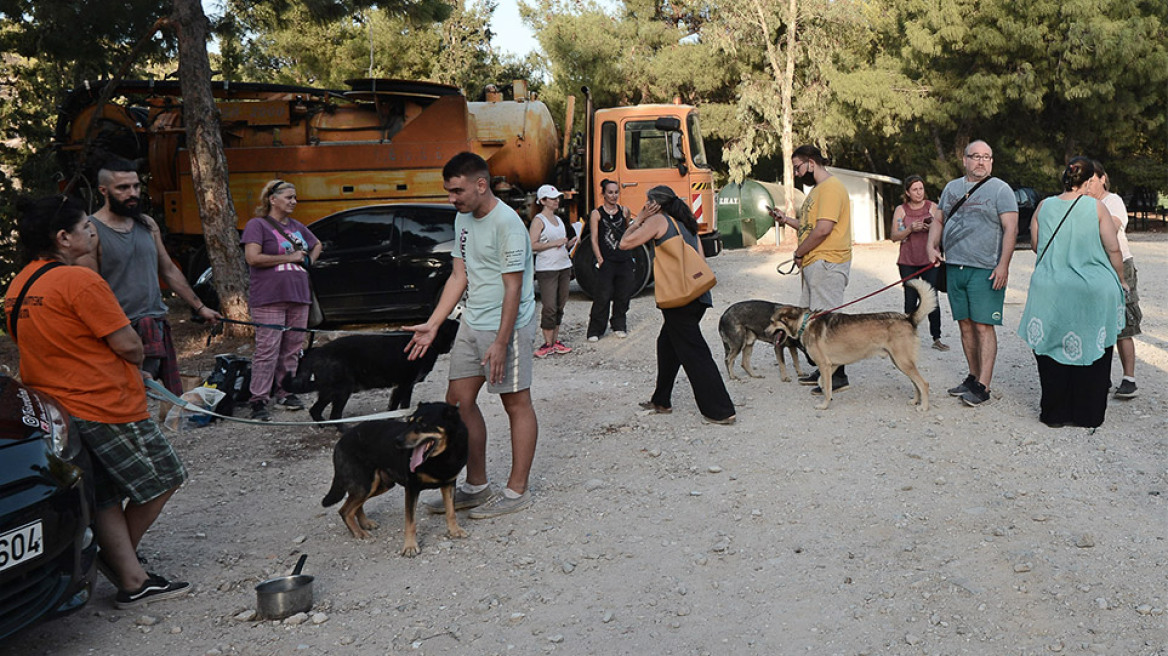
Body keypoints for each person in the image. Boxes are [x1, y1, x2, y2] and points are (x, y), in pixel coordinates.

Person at [5, 195, 189, 609]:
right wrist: (138, 366)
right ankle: (110, 559)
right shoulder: (80, 281)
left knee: (104, 494)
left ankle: (132, 579)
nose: (93, 231)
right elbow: (128, 343)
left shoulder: (20, 284)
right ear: (63, 238)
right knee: (165, 478)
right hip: (104, 403)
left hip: (58, 407)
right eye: (85, 227)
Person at [406, 152, 540, 519]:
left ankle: (517, 490)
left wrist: (501, 341)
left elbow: (513, 289)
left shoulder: (507, 224)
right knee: (458, 401)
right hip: (473, 321)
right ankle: (476, 485)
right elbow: (458, 275)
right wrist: (434, 323)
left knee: (515, 403)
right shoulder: (462, 218)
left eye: (457, 190)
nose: (452, 198)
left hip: (507, 325)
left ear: (481, 184)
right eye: (449, 191)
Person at [85, 158, 221, 396]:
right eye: (123, 188)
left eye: (136, 186)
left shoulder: (147, 224)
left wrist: (200, 308)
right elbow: (87, 289)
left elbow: (167, 269)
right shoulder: (90, 230)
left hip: (153, 325)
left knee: (153, 393)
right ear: (103, 191)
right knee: (125, 396)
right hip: (118, 331)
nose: (132, 193)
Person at [1016, 157, 1126, 428]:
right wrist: (1121, 280)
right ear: (1089, 181)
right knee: (1094, 347)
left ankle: (1055, 414)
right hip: (1092, 287)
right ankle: (1087, 414)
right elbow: (1113, 248)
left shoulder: (1044, 206)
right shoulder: (1097, 208)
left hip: (1050, 287)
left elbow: (1035, 245)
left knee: (1051, 348)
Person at [619, 185, 736, 425]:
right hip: (698, 295)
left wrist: (639, 218)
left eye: (647, 203)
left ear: (655, 205)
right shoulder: (686, 222)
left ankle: (721, 411)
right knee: (667, 344)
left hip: (679, 299)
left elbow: (625, 243)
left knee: (695, 353)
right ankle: (661, 400)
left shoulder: (658, 221)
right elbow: (700, 260)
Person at [926, 140, 1018, 407]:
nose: (981, 161)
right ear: (964, 159)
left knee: (983, 325)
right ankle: (972, 376)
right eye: (975, 156)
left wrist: (1003, 265)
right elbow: (939, 219)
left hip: (985, 269)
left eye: (986, 157)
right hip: (955, 266)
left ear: (992, 162)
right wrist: (932, 245)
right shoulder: (952, 188)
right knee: (965, 325)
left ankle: (984, 385)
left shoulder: (1001, 190)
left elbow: (1010, 230)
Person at [768, 145, 853, 395]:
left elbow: (824, 229)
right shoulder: (817, 191)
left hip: (828, 262)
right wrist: (786, 220)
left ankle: (838, 376)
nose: (796, 173)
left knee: (829, 321)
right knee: (813, 321)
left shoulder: (831, 188)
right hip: (815, 262)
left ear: (811, 163)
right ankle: (824, 368)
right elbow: (809, 227)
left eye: (797, 167)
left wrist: (798, 252)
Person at [241, 179, 322, 421]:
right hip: (269, 296)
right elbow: (252, 258)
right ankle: (259, 399)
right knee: (268, 349)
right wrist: (291, 257)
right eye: (288, 197)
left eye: (295, 197)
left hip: (298, 295)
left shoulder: (297, 226)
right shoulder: (257, 225)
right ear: (272, 199)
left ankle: (286, 391)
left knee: (292, 348)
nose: (294, 202)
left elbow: (317, 244)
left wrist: (307, 261)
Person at [1088, 162, 1142, 399]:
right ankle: (1101, 376)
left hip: (1120, 265)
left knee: (1124, 323)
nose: (1088, 184)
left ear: (1103, 178)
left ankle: (1129, 378)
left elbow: (1112, 227)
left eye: (1092, 179)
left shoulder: (1113, 201)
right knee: (1097, 322)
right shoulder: (1083, 203)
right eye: (1084, 180)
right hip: (1093, 265)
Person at [890, 175, 948, 351]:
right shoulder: (901, 210)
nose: (918, 192)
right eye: (914, 189)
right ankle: (909, 337)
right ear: (907, 192)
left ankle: (936, 337)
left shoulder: (933, 207)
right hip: (908, 260)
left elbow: (944, 231)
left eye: (921, 188)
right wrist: (909, 229)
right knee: (910, 300)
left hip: (929, 260)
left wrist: (933, 228)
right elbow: (894, 236)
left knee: (931, 298)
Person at [530, 184, 577, 358]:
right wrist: (554, 244)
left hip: (563, 265)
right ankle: (547, 343)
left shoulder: (559, 220)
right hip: (547, 268)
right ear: (543, 201)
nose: (556, 201)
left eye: (557, 198)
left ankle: (554, 341)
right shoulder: (538, 220)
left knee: (560, 304)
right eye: (552, 198)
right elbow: (532, 245)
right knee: (549, 306)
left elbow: (560, 243)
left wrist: (568, 244)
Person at [587, 178, 634, 341]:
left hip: (624, 259)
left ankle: (619, 324)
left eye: (616, 192)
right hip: (607, 260)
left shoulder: (625, 211)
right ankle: (595, 329)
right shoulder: (596, 214)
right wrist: (599, 258)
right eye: (610, 192)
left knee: (623, 294)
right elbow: (594, 238)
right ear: (604, 194)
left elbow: (628, 231)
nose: (613, 196)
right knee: (603, 295)